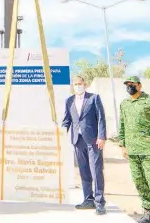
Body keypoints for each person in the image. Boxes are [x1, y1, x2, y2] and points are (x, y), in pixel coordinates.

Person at [118, 76, 150, 223]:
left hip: (149, 151)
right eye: (127, 84)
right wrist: (123, 145)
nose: (129, 87)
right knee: (139, 183)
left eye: (132, 84)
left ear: (139, 86)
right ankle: (148, 214)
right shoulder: (124, 104)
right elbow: (122, 126)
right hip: (132, 152)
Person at [61, 75, 107, 215]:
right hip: (77, 140)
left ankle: (100, 202)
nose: (78, 86)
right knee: (84, 170)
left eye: (80, 84)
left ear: (85, 84)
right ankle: (88, 199)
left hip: (93, 140)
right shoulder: (69, 101)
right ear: (73, 86)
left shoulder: (94, 98)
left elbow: (101, 118)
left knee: (96, 170)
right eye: (75, 84)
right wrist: (61, 131)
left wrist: (102, 136)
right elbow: (67, 120)